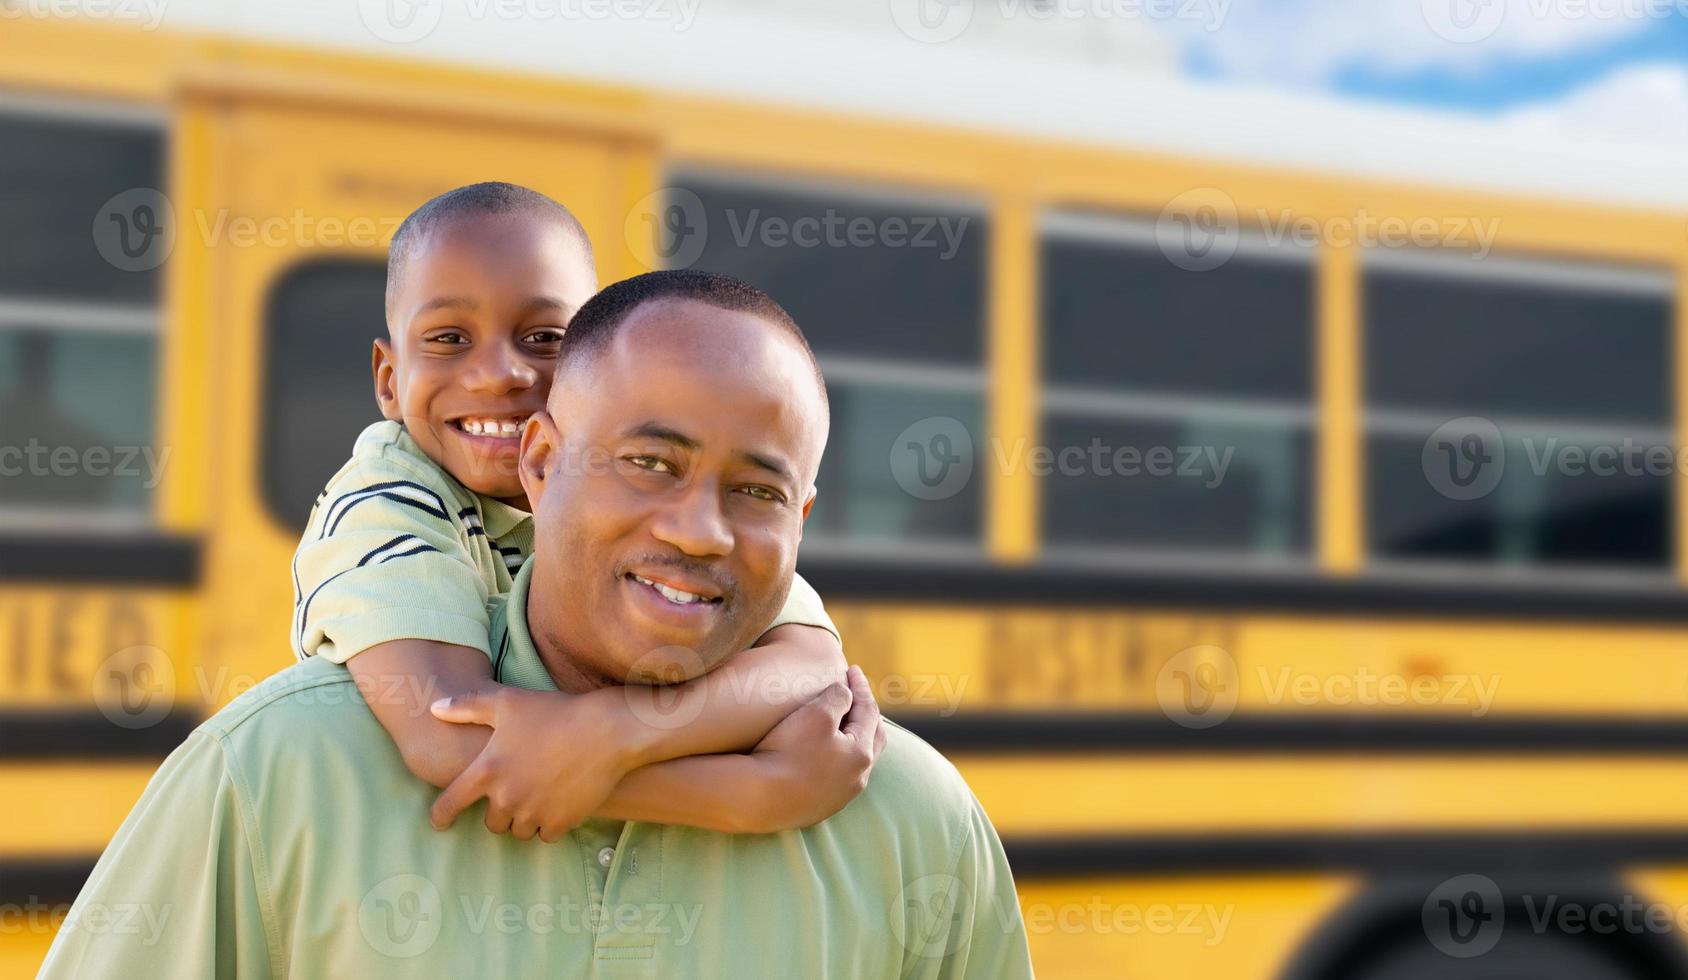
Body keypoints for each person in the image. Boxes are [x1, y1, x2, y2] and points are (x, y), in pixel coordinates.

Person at [40, 270, 1033, 978]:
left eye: (755, 490)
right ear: (541, 460)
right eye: (648, 462)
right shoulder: (278, 773)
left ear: (801, 520)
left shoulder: (908, 822)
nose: (699, 530)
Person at [293, 182, 859, 836]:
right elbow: (448, 735)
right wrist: (748, 796)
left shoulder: (625, 491)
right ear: (389, 380)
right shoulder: (384, 501)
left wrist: (613, 732)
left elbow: (810, 663)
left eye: (544, 337)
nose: (499, 374)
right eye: (449, 338)